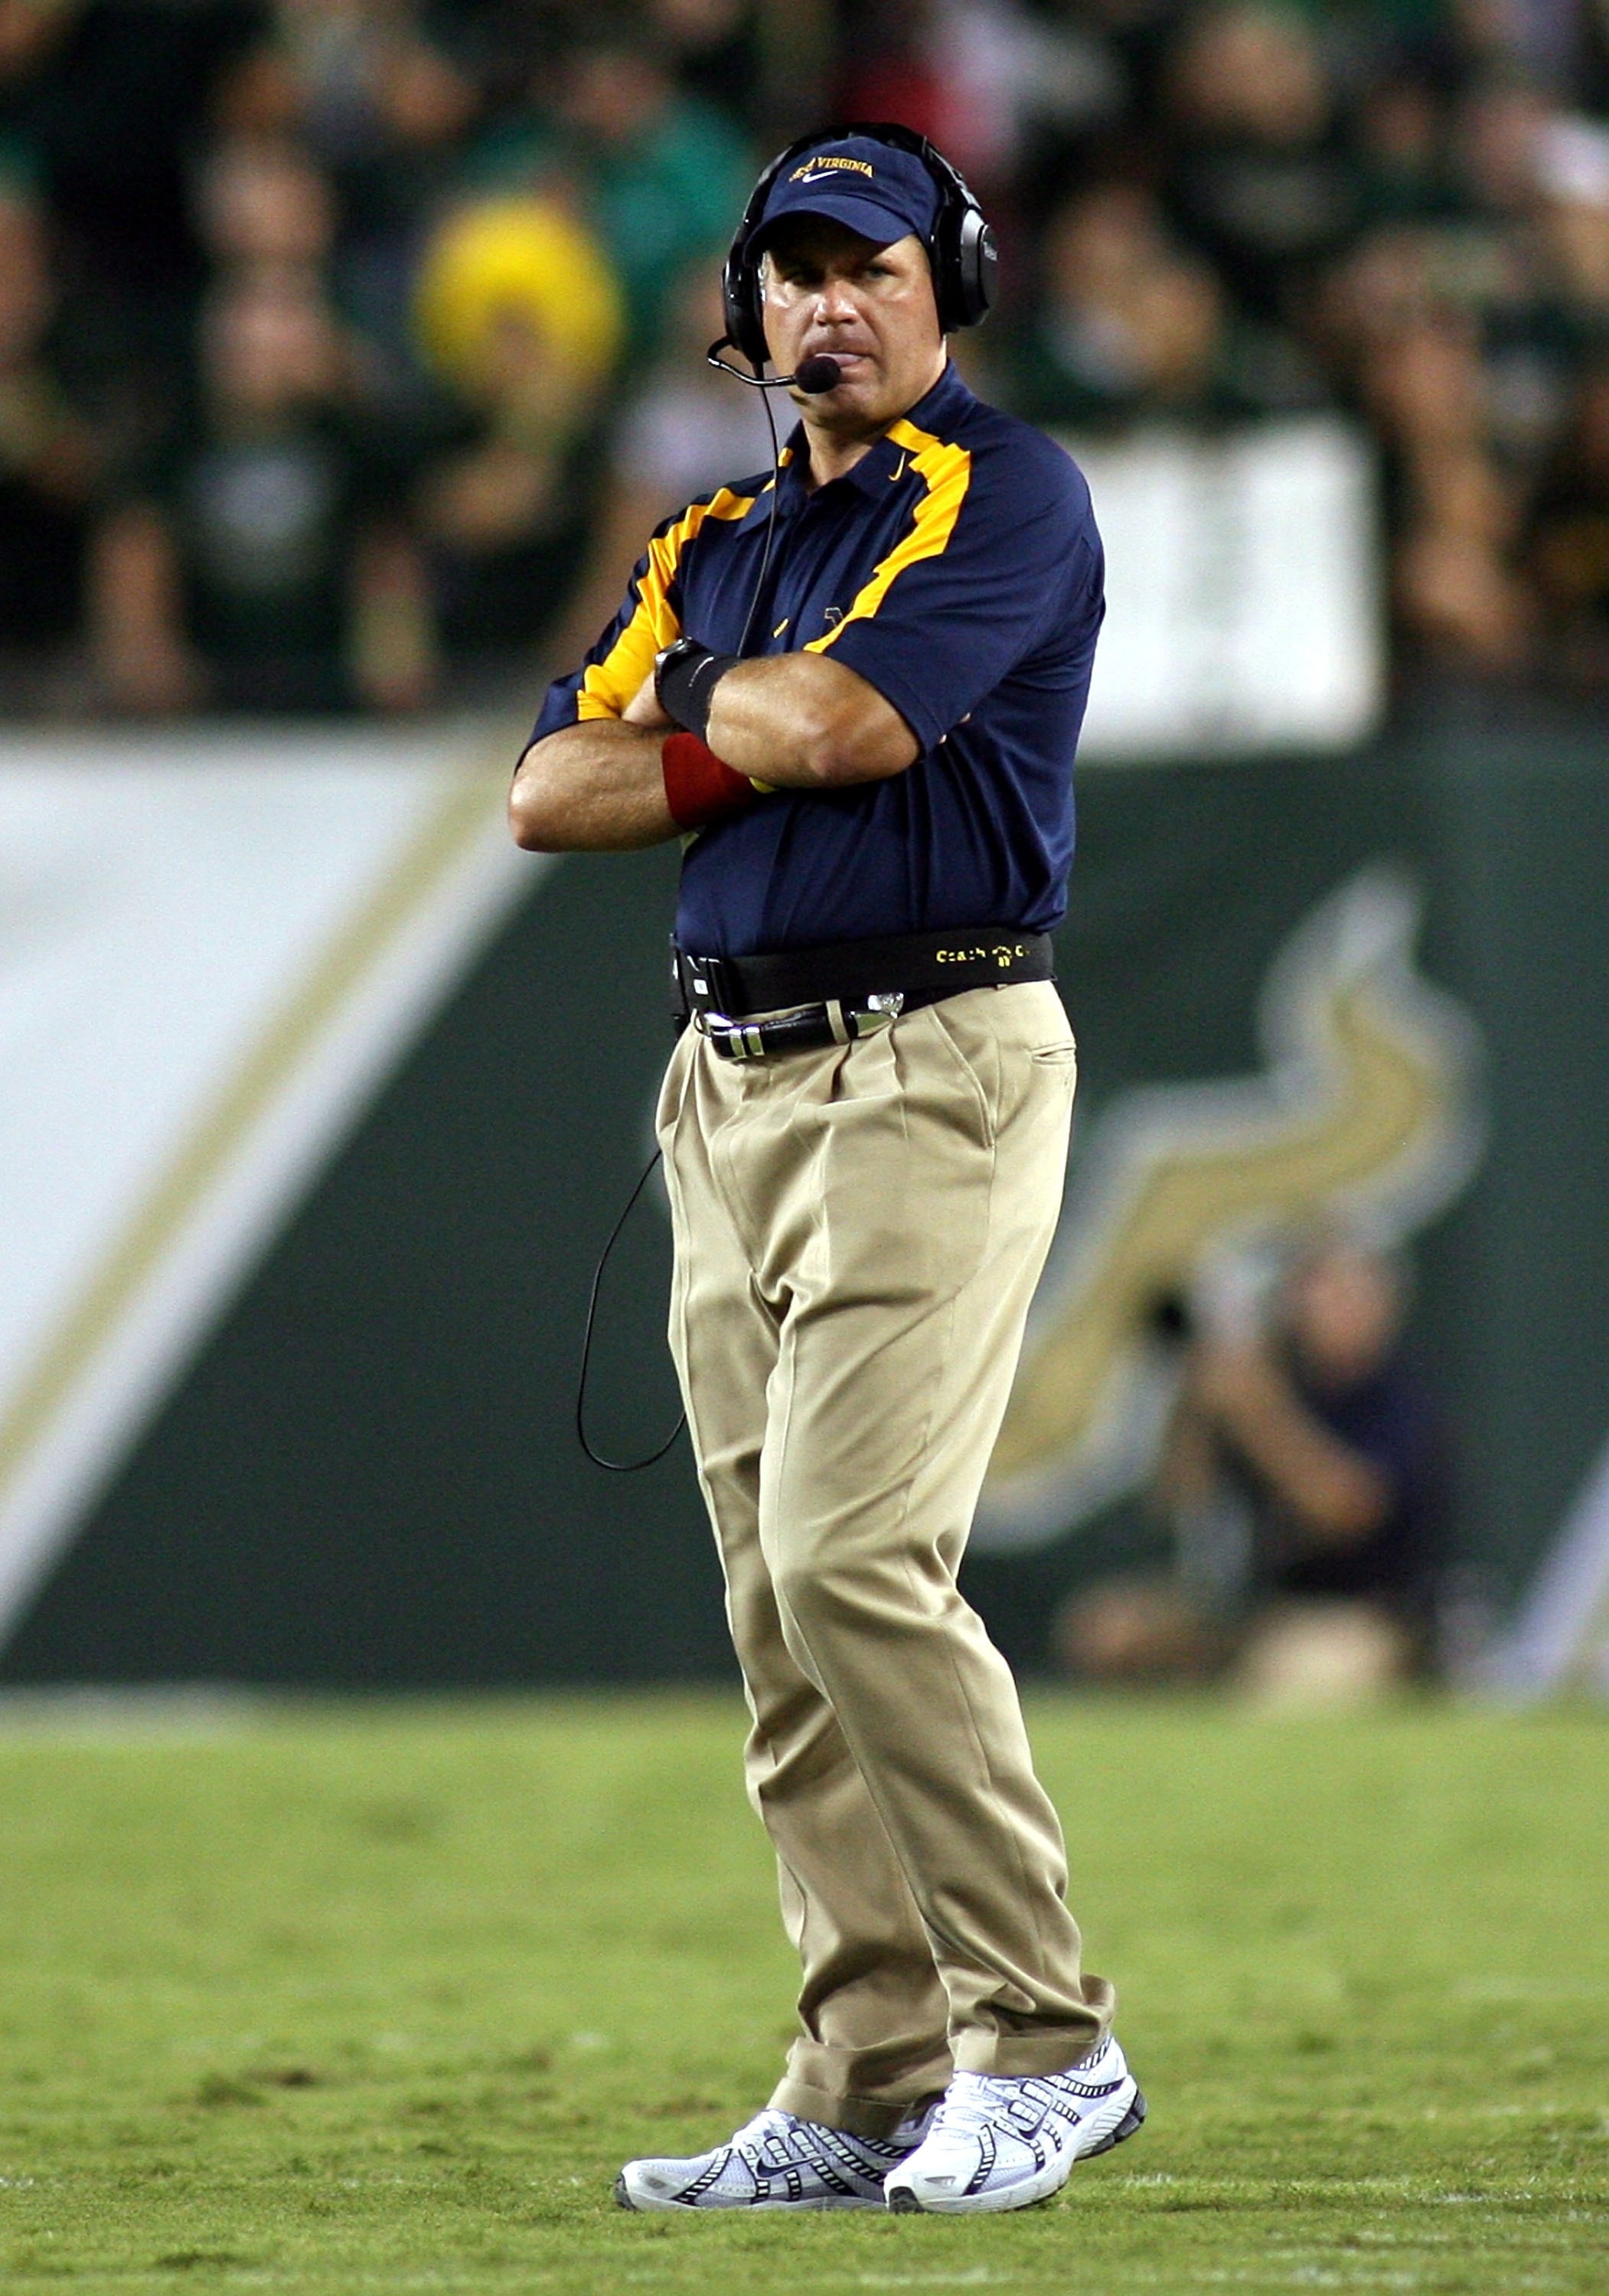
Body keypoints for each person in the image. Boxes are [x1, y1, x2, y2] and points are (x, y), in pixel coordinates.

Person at [509, 125, 1141, 2217]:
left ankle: (1045, 2043)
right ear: (746, 309)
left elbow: (856, 727)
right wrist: (732, 714)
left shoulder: (1006, 489)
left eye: (867, 264)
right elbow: (542, 790)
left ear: (949, 284)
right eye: (792, 272)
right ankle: (869, 2067)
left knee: (859, 1561)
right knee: (782, 1620)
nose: (828, 305)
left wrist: (699, 716)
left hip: (929, 1059)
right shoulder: (713, 531)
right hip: (736, 1084)